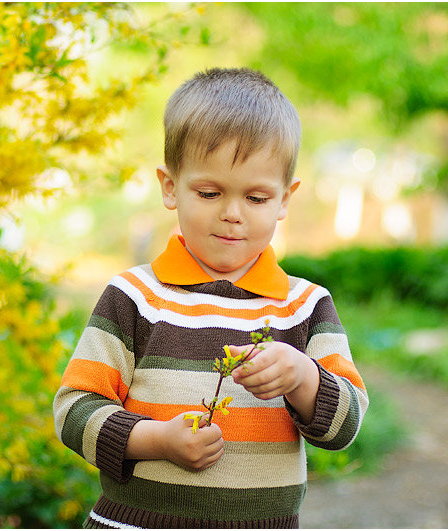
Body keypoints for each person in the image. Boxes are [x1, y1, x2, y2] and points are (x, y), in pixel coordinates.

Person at [53, 67, 368, 529]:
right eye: (209, 192)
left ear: (285, 199)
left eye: (257, 198)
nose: (232, 214)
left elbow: (345, 426)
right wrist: (155, 440)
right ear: (170, 187)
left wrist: (303, 377)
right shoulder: (135, 297)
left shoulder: (304, 306)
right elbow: (73, 409)